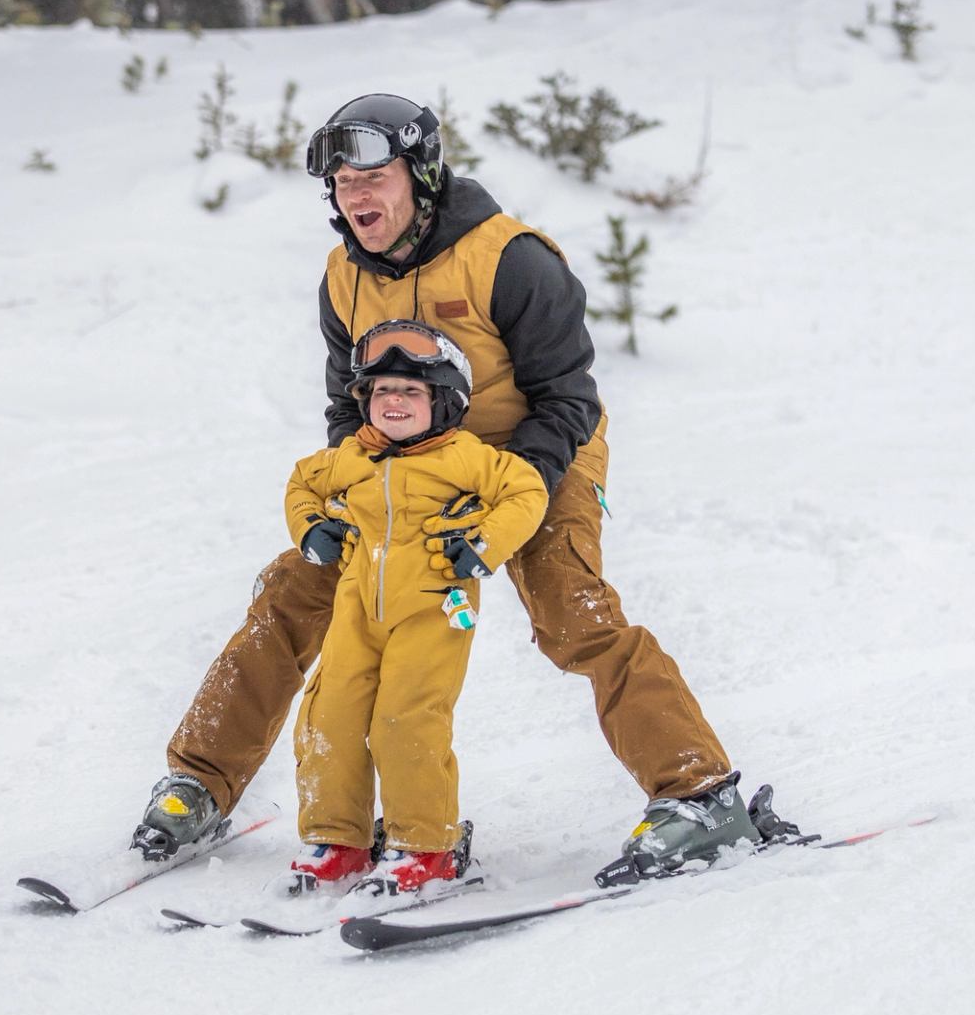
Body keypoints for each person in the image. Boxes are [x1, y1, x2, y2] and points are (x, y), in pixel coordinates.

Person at [131, 92, 777, 882]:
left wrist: (507, 501)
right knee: (298, 587)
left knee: (570, 610)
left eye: (374, 177)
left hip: (534, 454)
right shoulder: (342, 277)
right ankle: (198, 783)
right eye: (340, 184)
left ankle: (701, 794)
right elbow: (348, 404)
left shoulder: (511, 259)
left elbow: (569, 398)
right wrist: (360, 489)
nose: (355, 197)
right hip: (409, 465)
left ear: (422, 174)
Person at [282, 321, 548, 894]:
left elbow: (527, 491)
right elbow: (301, 484)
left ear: (445, 402)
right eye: (380, 391)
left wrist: (483, 544)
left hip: (435, 610)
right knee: (331, 715)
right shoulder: (350, 456)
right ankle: (340, 839)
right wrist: (312, 529)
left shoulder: (466, 457)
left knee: (406, 719)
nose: (393, 402)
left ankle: (426, 847)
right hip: (357, 610)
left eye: (410, 391)